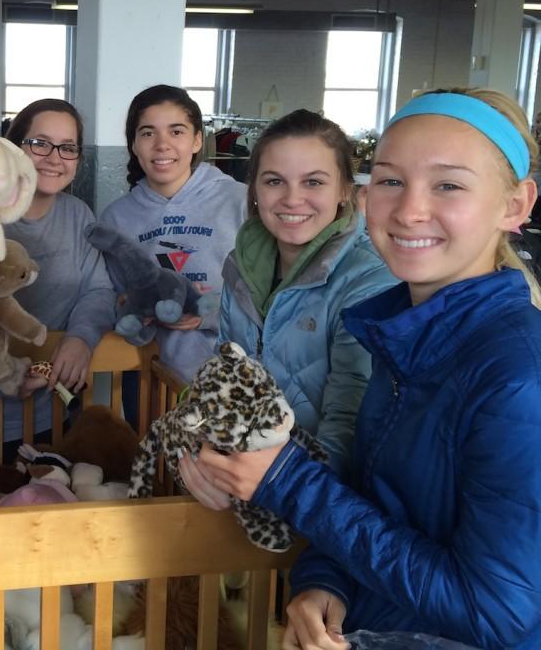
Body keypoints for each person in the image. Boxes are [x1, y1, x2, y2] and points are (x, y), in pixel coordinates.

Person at [196, 88, 541, 649]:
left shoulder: (517, 377)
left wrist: (288, 481)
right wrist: (327, 582)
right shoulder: (401, 335)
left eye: (448, 184)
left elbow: (498, 611)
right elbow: (378, 504)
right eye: (390, 180)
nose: (409, 210)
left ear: (516, 205)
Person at [183, 109, 394, 484]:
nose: (292, 199)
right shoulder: (240, 266)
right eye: (274, 181)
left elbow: (349, 422)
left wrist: (281, 492)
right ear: (255, 190)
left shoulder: (369, 281)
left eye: (313, 182)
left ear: (345, 189)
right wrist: (209, 456)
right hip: (247, 481)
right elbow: (228, 375)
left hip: (318, 502)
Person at [0, 98, 116, 468]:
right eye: (39, 143)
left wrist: (81, 338)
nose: (54, 157)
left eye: (68, 147)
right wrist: (2, 379)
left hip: (51, 413)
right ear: (12, 147)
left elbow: (98, 290)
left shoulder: (78, 215)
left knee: (43, 517)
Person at [99, 84, 247, 384]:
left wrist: (209, 313)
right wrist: (131, 310)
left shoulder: (239, 201)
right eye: (148, 133)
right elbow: (114, 301)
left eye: (176, 132)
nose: (162, 145)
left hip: (232, 382)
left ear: (196, 141)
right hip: (147, 382)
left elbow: (268, 296)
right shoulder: (116, 217)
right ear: (134, 145)